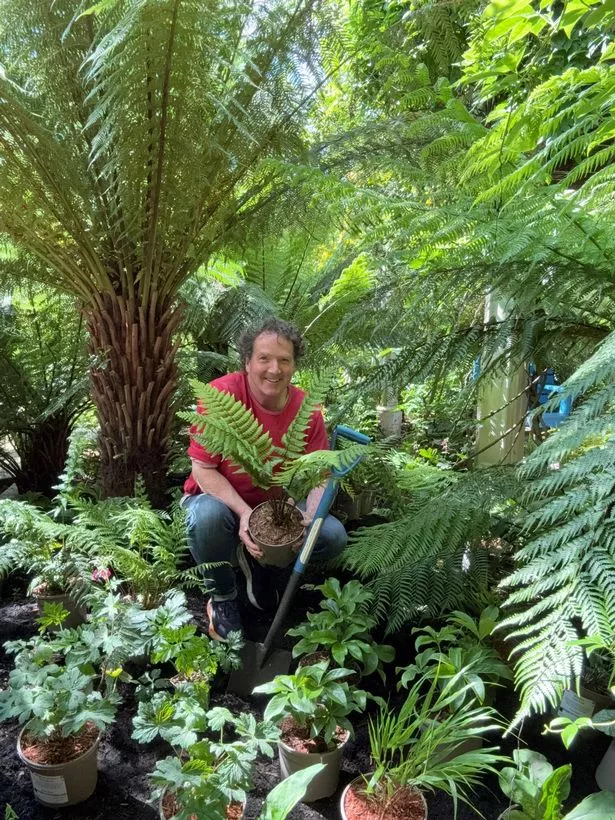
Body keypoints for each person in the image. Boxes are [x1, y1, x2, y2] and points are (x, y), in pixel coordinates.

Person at [182, 317, 347, 640]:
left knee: (329, 535)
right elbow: (202, 469)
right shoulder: (221, 396)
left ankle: (268, 568)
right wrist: (245, 515)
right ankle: (224, 595)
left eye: (284, 360)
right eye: (264, 358)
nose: (274, 369)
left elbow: (320, 476)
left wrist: (305, 517)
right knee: (207, 519)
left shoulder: (307, 411)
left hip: (279, 510)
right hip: (222, 504)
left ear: (294, 366)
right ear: (247, 362)